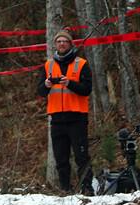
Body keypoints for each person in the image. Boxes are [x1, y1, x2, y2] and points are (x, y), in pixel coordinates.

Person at [37, 29, 93, 194]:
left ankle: (87, 188)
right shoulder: (48, 65)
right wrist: (46, 85)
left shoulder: (81, 64)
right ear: (55, 44)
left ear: (70, 44)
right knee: (61, 159)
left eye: (65, 41)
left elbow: (86, 89)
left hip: (77, 118)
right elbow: (40, 91)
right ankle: (65, 190)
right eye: (59, 41)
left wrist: (70, 83)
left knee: (81, 157)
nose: (61, 44)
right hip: (57, 120)